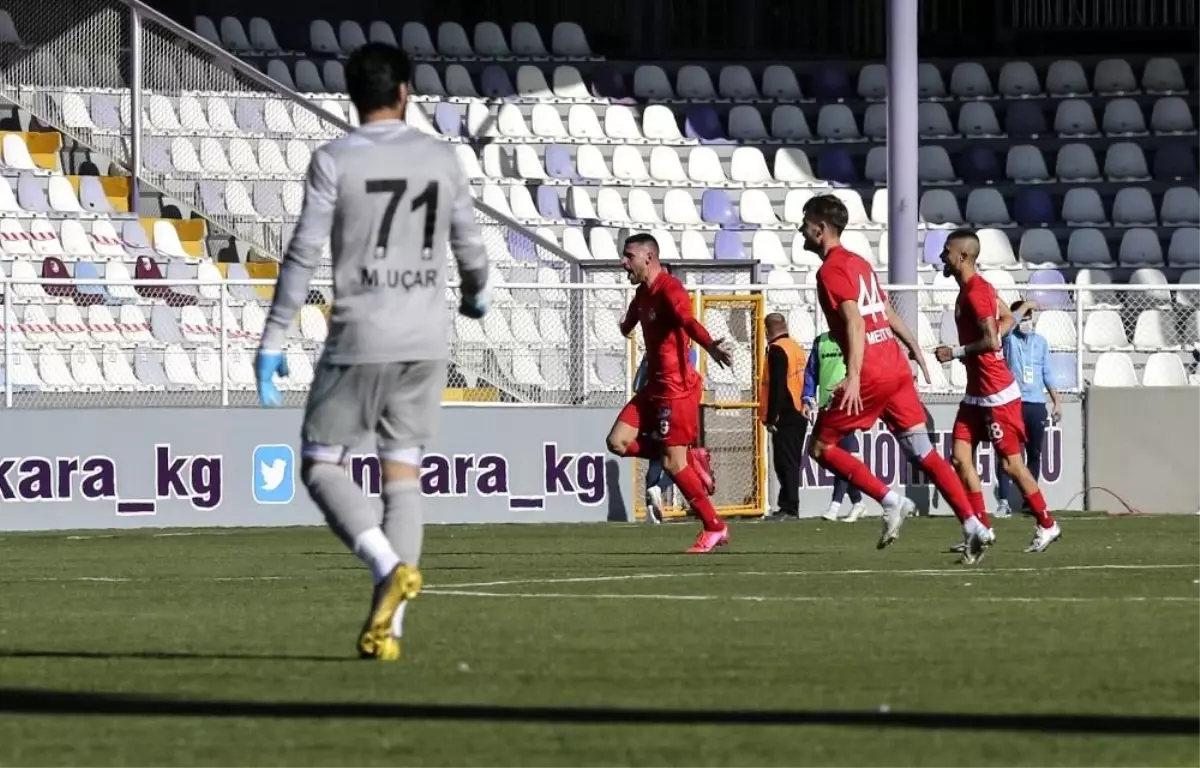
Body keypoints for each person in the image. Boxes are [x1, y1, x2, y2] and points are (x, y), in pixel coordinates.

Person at [253, 42, 490, 661]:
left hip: (362, 332)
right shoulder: (440, 157)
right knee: (402, 477)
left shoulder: (335, 158)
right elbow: (471, 246)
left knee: (320, 461)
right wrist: (476, 296)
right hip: (425, 338)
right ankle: (392, 631)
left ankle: (386, 567)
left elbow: (304, 252)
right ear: (405, 91)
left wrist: (275, 336)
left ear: (352, 95)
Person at [800, 194, 982, 551]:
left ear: (820, 229)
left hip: (869, 372)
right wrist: (913, 347)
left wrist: (852, 376)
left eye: (805, 224)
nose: (800, 230)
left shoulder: (831, 269)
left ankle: (889, 500)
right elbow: (884, 311)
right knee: (923, 452)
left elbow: (854, 321)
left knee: (821, 447)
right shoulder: (859, 263)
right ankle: (973, 523)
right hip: (895, 367)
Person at [934, 230, 1062, 563]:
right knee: (960, 458)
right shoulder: (977, 289)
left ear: (962, 256)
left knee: (1012, 464)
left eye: (946, 252)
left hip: (996, 394)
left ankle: (1047, 524)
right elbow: (1007, 318)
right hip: (976, 393)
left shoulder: (977, 292)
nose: (941, 258)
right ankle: (981, 529)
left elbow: (992, 341)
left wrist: (957, 352)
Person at [606, 233, 733, 553]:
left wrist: (710, 347)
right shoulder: (642, 294)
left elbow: (687, 321)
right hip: (654, 388)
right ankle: (691, 456)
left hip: (677, 390)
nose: (624, 262)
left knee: (673, 465)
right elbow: (628, 325)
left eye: (629, 256)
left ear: (648, 257)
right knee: (617, 442)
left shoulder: (670, 289)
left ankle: (714, 527)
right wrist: (625, 323)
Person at [995, 300, 1062, 518]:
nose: (1026, 321)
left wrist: (1056, 401)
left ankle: (1028, 501)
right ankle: (1003, 502)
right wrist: (1018, 312)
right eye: (1022, 317)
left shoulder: (1041, 342)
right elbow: (1008, 325)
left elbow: (1047, 373)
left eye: (1028, 317)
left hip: (1036, 403)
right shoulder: (1009, 339)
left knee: (1034, 454)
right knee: (1008, 453)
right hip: (1012, 402)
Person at [801, 330, 867, 523]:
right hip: (825, 407)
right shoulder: (820, 341)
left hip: (846, 404)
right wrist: (807, 398)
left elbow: (861, 369)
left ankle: (835, 505)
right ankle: (857, 501)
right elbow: (811, 372)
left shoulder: (852, 338)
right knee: (828, 456)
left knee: (842, 455)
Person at [635, 345, 700, 523]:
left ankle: (651, 510)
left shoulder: (651, 352)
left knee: (657, 460)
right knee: (680, 462)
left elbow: (637, 385)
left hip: (653, 410)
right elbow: (689, 380)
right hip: (677, 409)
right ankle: (660, 490)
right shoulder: (689, 353)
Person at [760, 313, 809, 521]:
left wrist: (771, 418)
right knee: (791, 461)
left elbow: (777, 386)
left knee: (784, 462)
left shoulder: (777, 350)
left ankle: (790, 507)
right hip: (799, 410)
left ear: (767, 330)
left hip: (785, 414)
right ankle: (787, 504)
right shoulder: (795, 346)